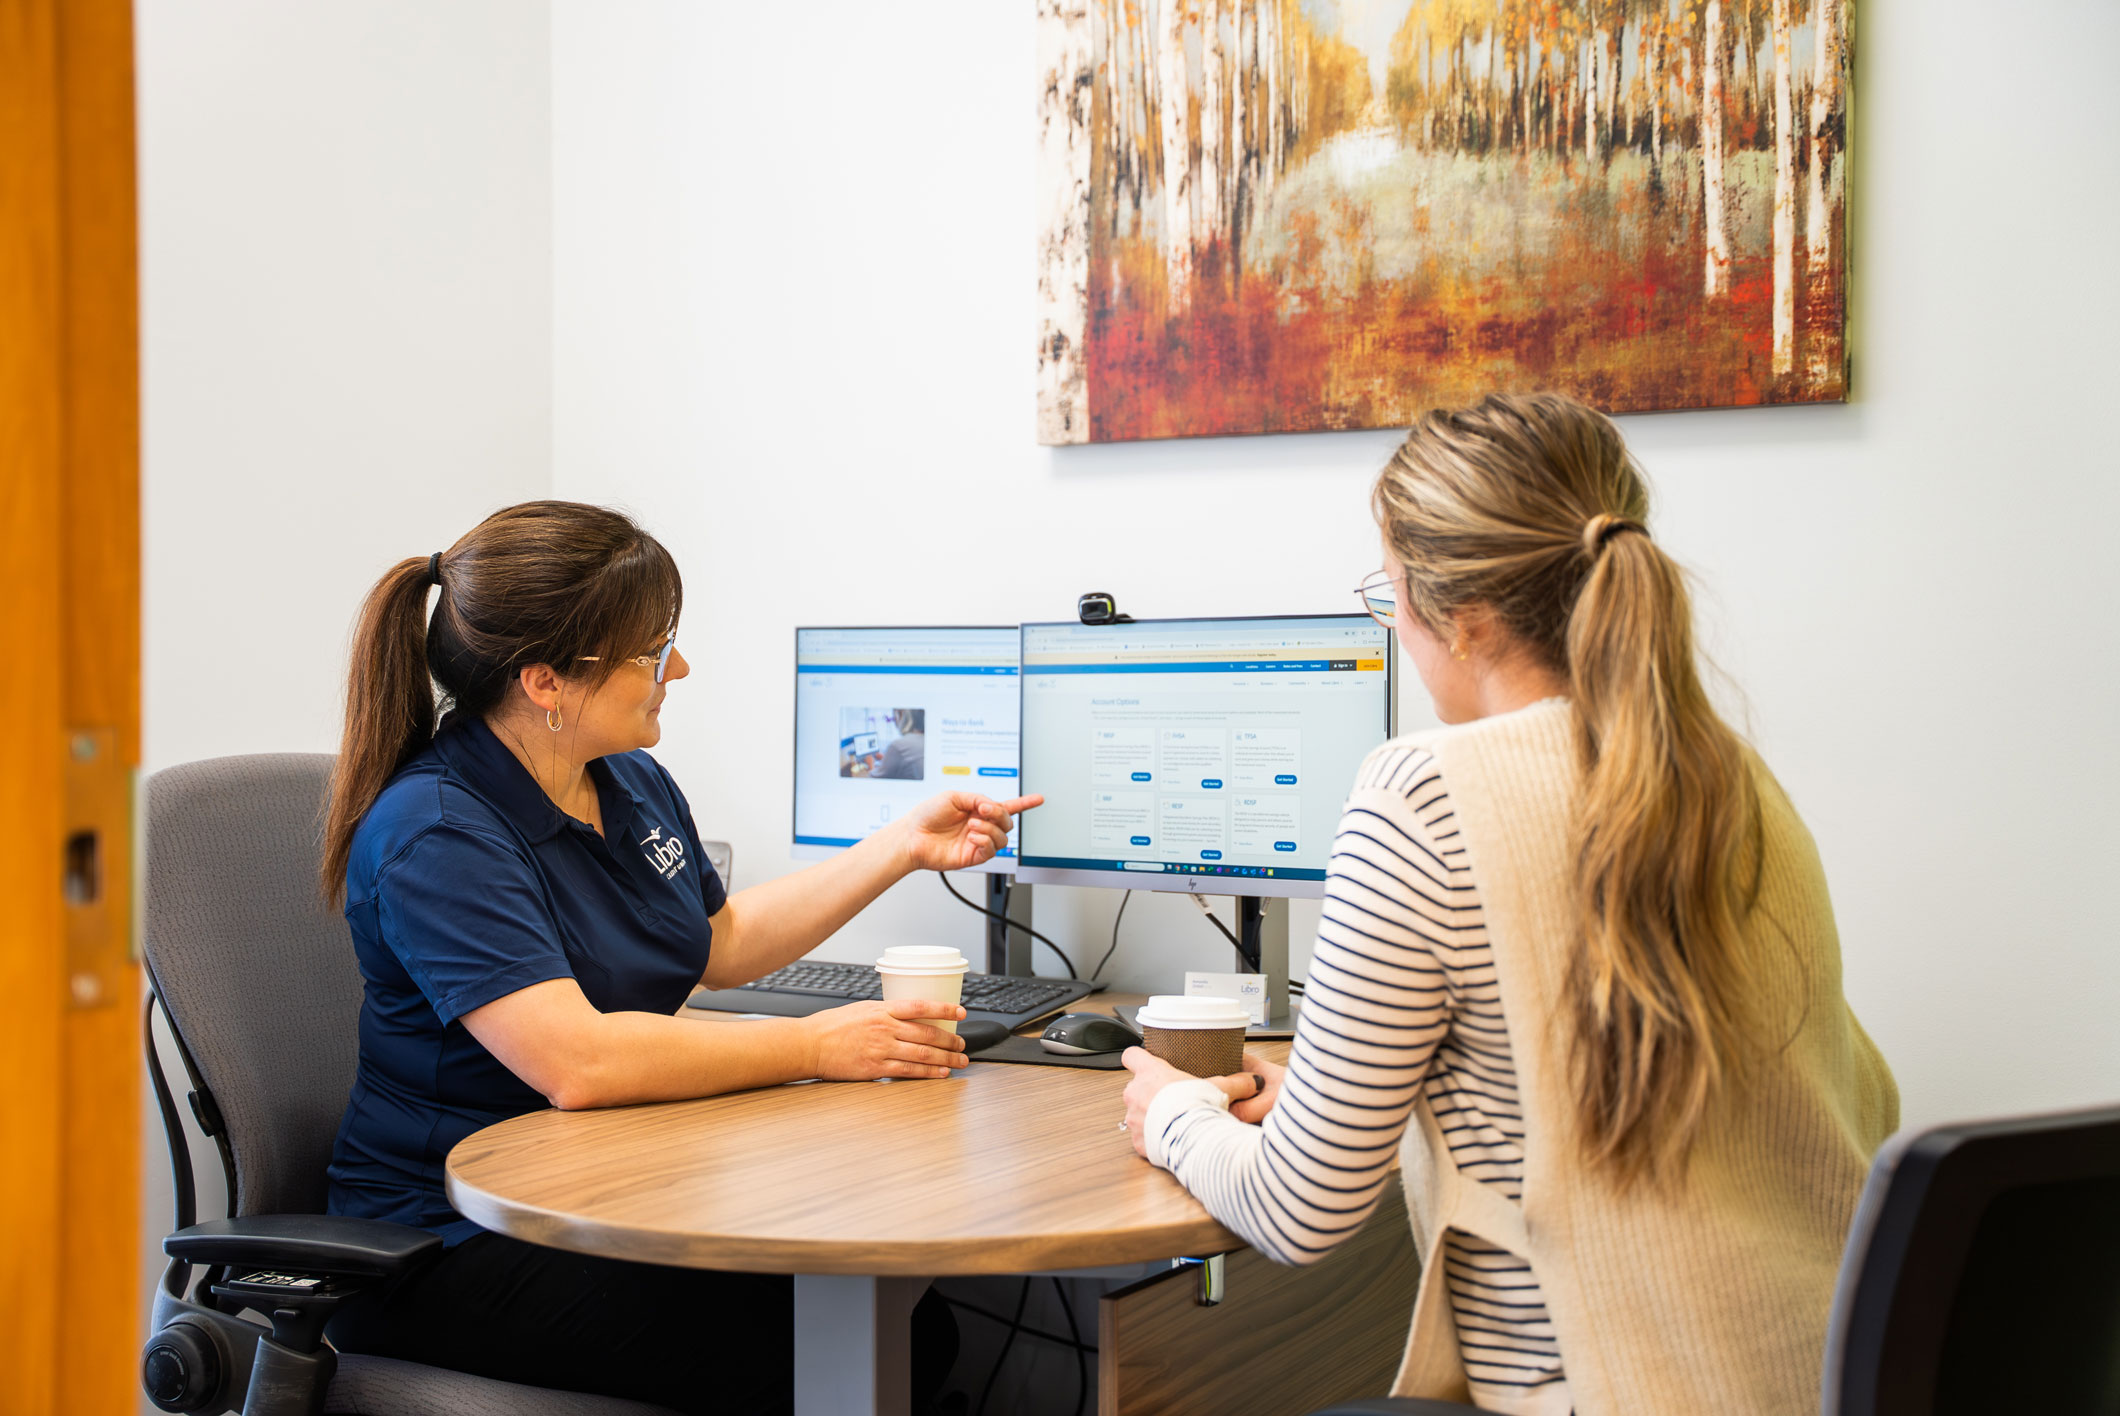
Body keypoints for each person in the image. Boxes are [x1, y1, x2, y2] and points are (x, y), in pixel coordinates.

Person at [1116, 394, 1898, 1416]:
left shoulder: (1421, 792)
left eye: (1387, 590)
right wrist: (1330, 1102)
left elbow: (1297, 1211)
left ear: (1466, 618)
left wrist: (1171, 1114)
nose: (1391, 620)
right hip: (1816, 1378)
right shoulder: (1726, 773)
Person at [319, 501, 1037, 1414]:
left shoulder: (623, 775)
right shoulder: (438, 831)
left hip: (607, 1183)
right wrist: (815, 1046)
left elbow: (720, 943)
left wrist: (900, 845)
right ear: (547, 681)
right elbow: (578, 1062)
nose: (679, 669)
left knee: (902, 1322)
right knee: (831, 1340)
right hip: (450, 1239)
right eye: (653, 652)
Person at [870, 708, 927, 780]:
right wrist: (886, 760)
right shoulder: (925, 740)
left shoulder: (899, 745)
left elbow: (875, 780)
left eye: (895, 718)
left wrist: (870, 764)